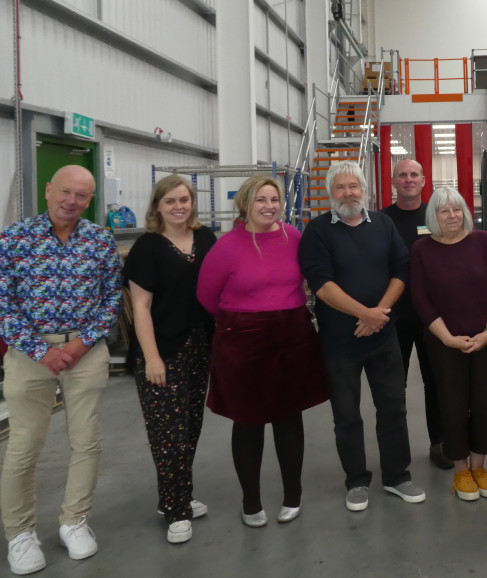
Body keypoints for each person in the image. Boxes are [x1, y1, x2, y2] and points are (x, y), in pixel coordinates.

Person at [0, 165, 122, 574]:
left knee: (86, 441)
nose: (72, 201)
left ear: (90, 200)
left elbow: (111, 300)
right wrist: (41, 350)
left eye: (82, 196)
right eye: (65, 192)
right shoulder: (14, 239)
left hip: (85, 351)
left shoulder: (100, 240)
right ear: (49, 190)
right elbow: (4, 303)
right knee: (23, 446)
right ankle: (19, 532)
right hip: (29, 355)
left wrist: (82, 343)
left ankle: (74, 521)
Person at [197, 176, 329, 529]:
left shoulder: (294, 238)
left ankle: (292, 495)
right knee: (248, 421)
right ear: (245, 204)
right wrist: (242, 320)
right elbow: (207, 296)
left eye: (275, 199)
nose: (269, 206)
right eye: (261, 200)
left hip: (291, 337)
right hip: (243, 341)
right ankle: (251, 501)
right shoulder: (227, 246)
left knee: (289, 417)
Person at [298, 160, 425, 512]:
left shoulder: (383, 225)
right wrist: (363, 314)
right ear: (330, 194)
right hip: (340, 343)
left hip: (383, 337)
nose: (348, 192)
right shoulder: (318, 231)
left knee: (393, 409)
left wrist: (378, 314)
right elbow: (320, 284)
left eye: (354, 186)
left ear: (364, 190)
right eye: (341, 187)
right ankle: (356, 481)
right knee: (347, 415)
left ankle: (398, 476)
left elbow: (401, 269)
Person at [123, 175, 217, 544]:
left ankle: (174, 496)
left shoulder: (206, 239)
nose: (179, 207)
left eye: (185, 200)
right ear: (157, 207)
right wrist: (152, 358)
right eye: (170, 202)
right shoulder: (147, 248)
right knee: (168, 436)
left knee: (190, 427)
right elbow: (141, 307)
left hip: (199, 347)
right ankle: (177, 510)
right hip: (161, 351)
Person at [410, 187, 487, 501]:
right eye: (444, 211)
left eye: (456, 209)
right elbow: (421, 300)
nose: (451, 216)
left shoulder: (483, 242)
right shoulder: (422, 249)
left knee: (486, 404)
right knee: (451, 406)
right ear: (434, 216)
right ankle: (460, 470)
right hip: (443, 343)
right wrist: (448, 338)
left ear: (465, 211)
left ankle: (479, 467)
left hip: (484, 340)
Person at [380, 159, 452, 470]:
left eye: (414, 175)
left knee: (436, 382)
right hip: (393, 317)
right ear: (394, 181)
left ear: (424, 181)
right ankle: (395, 455)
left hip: (432, 316)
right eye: (402, 175)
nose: (408, 180)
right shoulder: (380, 220)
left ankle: (440, 444)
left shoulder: (436, 216)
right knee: (392, 387)